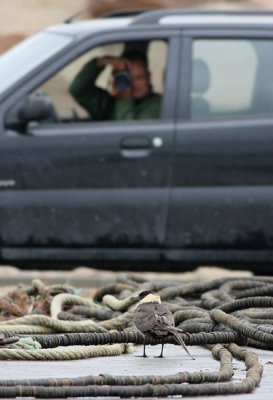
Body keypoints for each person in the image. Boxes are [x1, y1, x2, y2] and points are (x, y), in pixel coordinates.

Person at [69, 50, 161, 121]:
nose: (133, 83)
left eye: (139, 77)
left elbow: (130, 134)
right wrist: (102, 61)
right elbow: (78, 90)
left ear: (149, 77)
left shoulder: (159, 104)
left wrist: (124, 98)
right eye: (127, 78)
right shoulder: (110, 102)